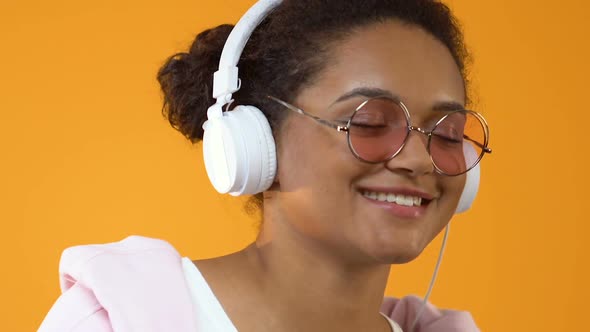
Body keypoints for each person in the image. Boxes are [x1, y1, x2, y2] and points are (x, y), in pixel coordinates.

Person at [39, 0, 491, 331]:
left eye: (447, 134)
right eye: (370, 122)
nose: (417, 158)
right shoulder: (116, 321)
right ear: (256, 142)